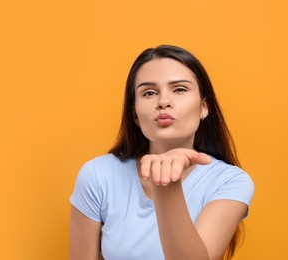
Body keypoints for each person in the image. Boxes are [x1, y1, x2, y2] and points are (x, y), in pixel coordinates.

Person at [69, 45, 255, 260]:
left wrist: (166, 184)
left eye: (179, 89)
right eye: (149, 93)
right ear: (136, 115)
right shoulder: (98, 174)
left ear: (204, 107)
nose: (163, 102)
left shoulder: (230, 182)